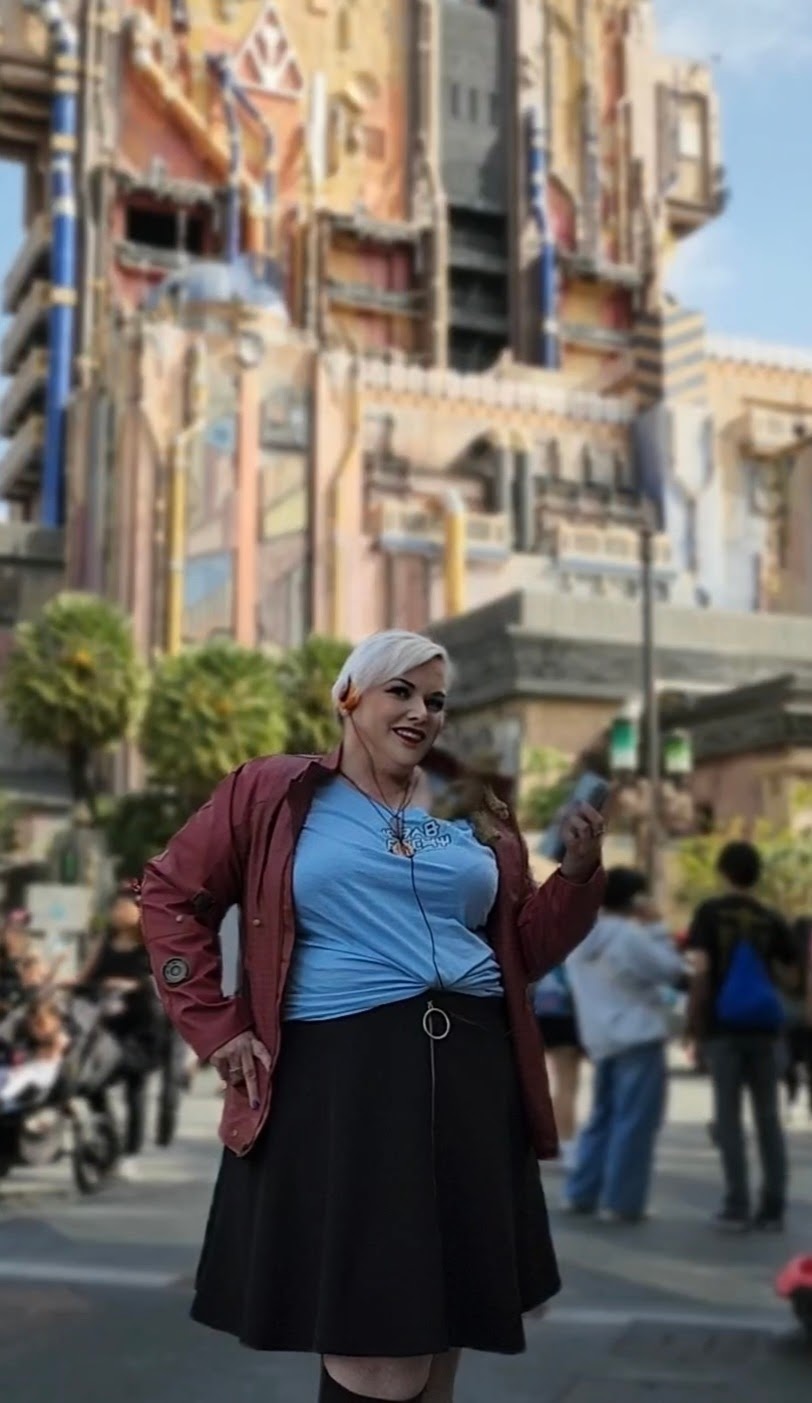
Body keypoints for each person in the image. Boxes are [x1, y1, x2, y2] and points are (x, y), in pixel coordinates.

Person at [140, 629, 606, 1403]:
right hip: (342, 1082)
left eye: (436, 700)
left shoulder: (473, 807)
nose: (423, 711)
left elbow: (522, 946)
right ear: (349, 696)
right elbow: (168, 894)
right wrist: (216, 1025)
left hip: (473, 1078)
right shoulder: (274, 791)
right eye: (402, 691)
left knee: (440, 1342)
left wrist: (578, 877)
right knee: (379, 1351)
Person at [685, 841, 798, 1231]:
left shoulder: (710, 913)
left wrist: (695, 1025)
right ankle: (773, 1207)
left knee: (729, 1119)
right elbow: (792, 973)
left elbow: (700, 972)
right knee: (768, 1119)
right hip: (765, 1029)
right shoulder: (770, 917)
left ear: (723, 872)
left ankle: (737, 1204)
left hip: (723, 1028)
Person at [563, 867, 685, 1223]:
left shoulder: (579, 937)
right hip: (638, 1036)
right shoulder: (630, 937)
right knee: (635, 1123)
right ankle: (623, 1202)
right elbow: (670, 969)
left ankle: (582, 1192)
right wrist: (657, 929)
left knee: (601, 1118)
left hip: (600, 1037)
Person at [81, 886, 161, 1180]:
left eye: (126, 907)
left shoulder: (151, 945)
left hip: (140, 1027)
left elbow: (166, 979)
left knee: (134, 1091)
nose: (120, 912)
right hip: (105, 1028)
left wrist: (135, 985)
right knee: (92, 1083)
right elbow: (85, 977)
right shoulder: (104, 943)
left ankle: (130, 1153)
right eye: (116, 908)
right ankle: (107, 1135)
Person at [532, 966, 583, 1170]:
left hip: (541, 1007)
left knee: (547, 1080)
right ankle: (566, 1143)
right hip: (567, 1010)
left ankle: (550, 1138)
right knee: (567, 1084)